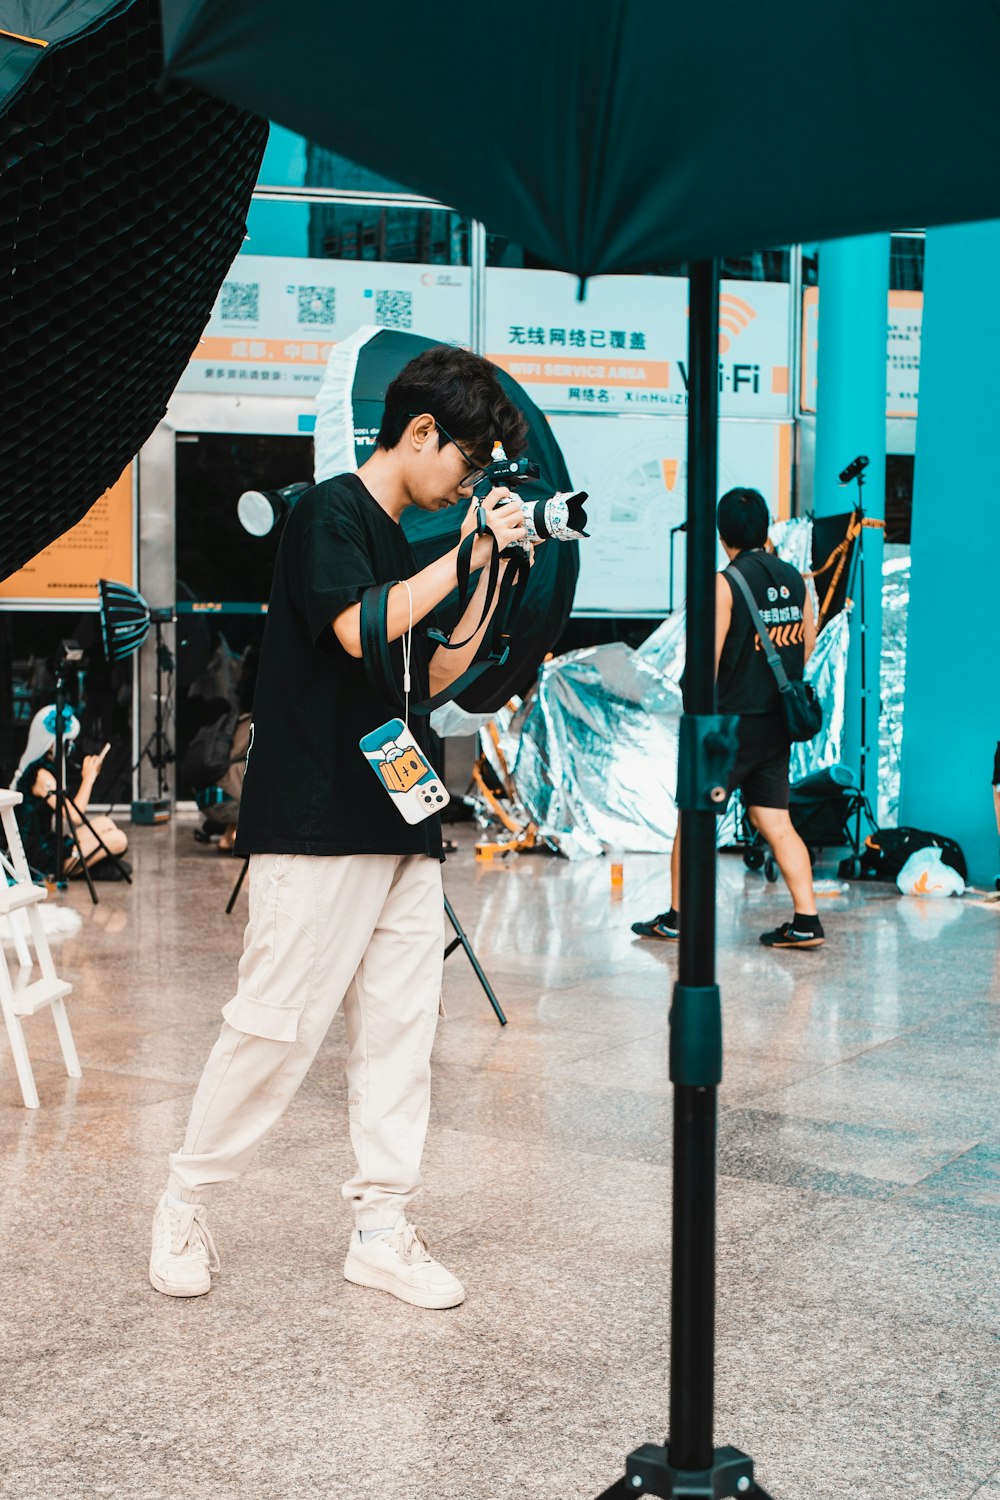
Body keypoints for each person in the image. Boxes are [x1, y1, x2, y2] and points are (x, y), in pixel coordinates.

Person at [149, 345, 532, 1307]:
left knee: (402, 1034)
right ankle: (185, 1197)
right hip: (317, 817)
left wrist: (490, 577)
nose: (468, 484)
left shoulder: (409, 540)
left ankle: (380, 1226)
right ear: (418, 433)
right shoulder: (330, 513)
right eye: (467, 462)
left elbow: (431, 678)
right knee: (275, 1028)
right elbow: (363, 629)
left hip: (400, 817)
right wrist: (462, 555)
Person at [633, 486, 823, 950]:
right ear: (766, 528)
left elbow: (706, 666)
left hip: (728, 728)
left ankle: (680, 917)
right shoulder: (798, 580)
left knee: (693, 821)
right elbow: (808, 645)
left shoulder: (725, 584)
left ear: (723, 536)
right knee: (774, 819)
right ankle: (806, 920)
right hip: (776, 724)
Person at [12, 705, 129, 879]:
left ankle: (88, 862)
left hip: (49, 842)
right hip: (40, 858)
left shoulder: (43, 769)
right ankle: (76, 867)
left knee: (106, 823)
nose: (71, 747)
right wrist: (88, 778)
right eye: (68, 742)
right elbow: (75, 816)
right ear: (52, 743)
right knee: (119, 839)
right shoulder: (41, 776)